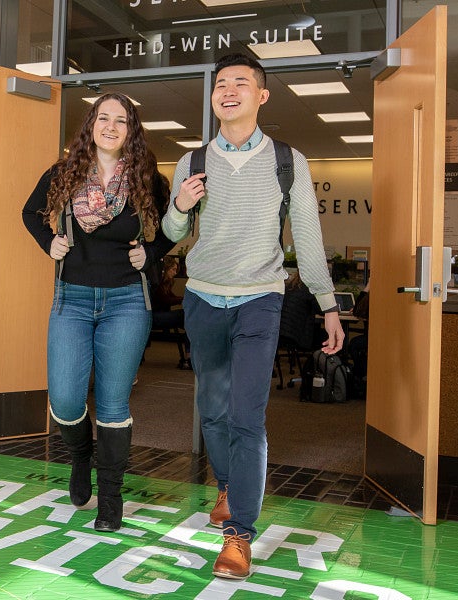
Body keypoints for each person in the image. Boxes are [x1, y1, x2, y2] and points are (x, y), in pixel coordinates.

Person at [162, 53, 344, 579]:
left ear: (262, 96)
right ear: (213, 97)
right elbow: (174, 236)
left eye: (241, 82)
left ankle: (238, 533)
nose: (229, 90)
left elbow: (308, 238)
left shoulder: (288, 161)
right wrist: (179, 206)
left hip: (260, 300)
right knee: (213, 412)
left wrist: (328, 304)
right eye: (221, 84)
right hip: (203, 299)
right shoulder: (192, 162)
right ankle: (227, 484)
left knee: (246, 416)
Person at [22, 92, 174, 532]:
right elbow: (31, 213)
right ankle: (80, 454)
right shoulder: (64, 173)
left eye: (121, 121)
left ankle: (110, 498)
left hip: (127, 301)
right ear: (91, 125)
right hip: (71, 299)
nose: (111, 126)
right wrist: (48, 241)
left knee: (112, 404)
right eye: (103, 118)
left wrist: (153, 252)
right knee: (66, 401)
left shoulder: (146, 178)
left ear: (132, 130)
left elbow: (175, 224)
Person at [151, 255, 191, 368]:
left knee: (188, 318)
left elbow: (171, 298)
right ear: (165, 269)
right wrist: (184, 299)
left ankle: (189, 355)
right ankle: (189, 355)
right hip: (154, 317)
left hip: (159, 315)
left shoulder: (166, 284)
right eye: (172, 269)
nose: (174, 273)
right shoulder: (157, 283)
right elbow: (164, 300)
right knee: (185, 315)